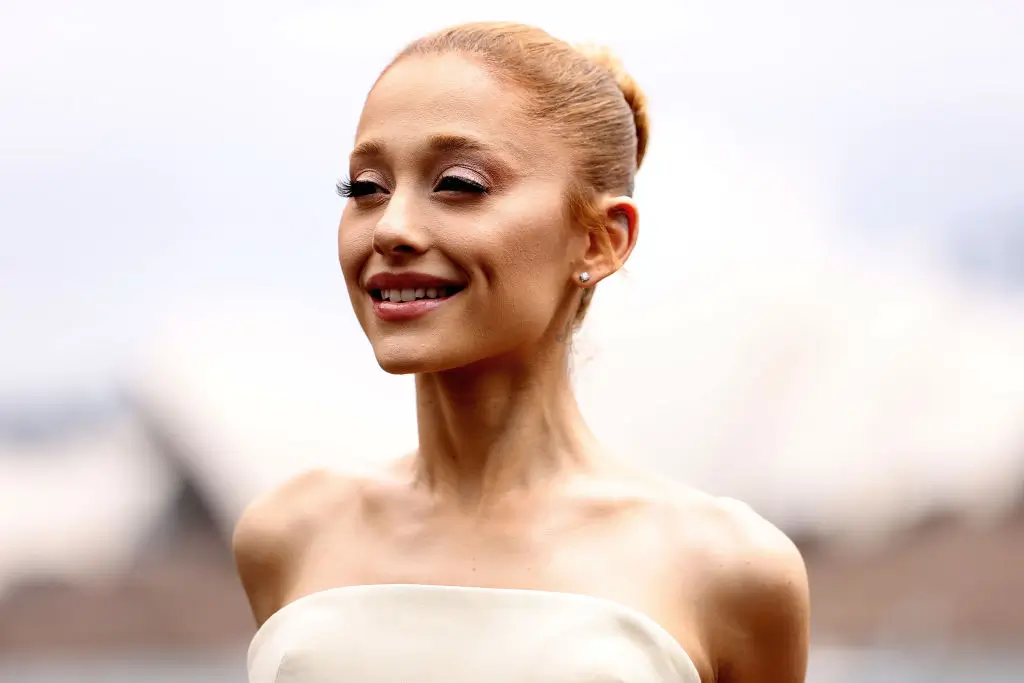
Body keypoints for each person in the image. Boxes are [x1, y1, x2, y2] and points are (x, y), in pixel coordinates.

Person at [233, 21, 810, 683]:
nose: (391, 227)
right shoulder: (287, 535)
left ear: (600, 239)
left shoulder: (729, 570)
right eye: (366, 188)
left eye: (457, 183)